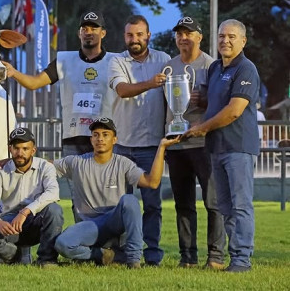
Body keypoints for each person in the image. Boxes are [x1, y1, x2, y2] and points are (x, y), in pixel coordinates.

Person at [182, 19, 260, 273]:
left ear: (243, 41)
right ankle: (235, 257)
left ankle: (242, 260)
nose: (225, 41)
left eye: (232, 37)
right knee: (225, 206)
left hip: (238, 147)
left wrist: (201, 128)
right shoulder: (215, 67)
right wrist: (201, 100)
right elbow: (216, 104)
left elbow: (234, 111)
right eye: (222, 36)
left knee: (240, 205)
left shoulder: (246, 69)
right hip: (216, 147)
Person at [53, 118, 180, 268]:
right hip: (89, 226)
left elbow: (151, 182)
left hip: (114, 223)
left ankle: (133, 260)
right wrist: (21, 159)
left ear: (114, 140)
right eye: (96, 134)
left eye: (105, 134)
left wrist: (161, 147)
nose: (100, 138)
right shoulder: (75, 162)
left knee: (129, 201)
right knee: (63, 244)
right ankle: (104, 255)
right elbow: (46, 167)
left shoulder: (123, 163)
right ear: (91, 139)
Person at [4, 11, 116, 156]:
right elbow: (34, 83)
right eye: (84, 29)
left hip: (105, 139)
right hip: (74, 139)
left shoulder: (116, 61)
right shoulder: (64, 60)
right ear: (79, 33)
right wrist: (14, 72)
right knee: (74, 179)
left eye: (94, 29)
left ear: (103, 33)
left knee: (105, 179)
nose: (89, 32)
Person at [161, 17, 225, 269]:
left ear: (200, 37)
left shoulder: (211, 65)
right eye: (179, 34)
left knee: (213, 203)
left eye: (189, 33)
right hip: (176, 143)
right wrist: (164, 139)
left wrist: (207, 100)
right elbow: (162, 106)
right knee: (183, 204)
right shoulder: (169, 66)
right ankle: (187, 257)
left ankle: (216, 256)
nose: (183, 38)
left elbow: (223, 105)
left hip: (204, 143)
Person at [108, 14, 171, 266]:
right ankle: (121, 253)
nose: (134, 39)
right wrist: (150, 83)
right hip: (122, 144)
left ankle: (152, 254)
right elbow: (122, 90)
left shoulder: (164, 60)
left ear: (148, 36)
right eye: (129, 35)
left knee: (152, 206)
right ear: (124, 37)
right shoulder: (116, 60)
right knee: (120, 206)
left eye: (139, 34)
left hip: (152, 145)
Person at [0, 128, 63, 266]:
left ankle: (47, 260)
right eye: (16, 148)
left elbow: (53, 193)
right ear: (10, 149)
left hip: (36, 221)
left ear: (33, 150)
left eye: (25, 148)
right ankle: (14, 256)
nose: (20, 153)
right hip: (10, 224)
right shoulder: (0, 173)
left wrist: (25, 211)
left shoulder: (45, 167)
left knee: (54, 210)